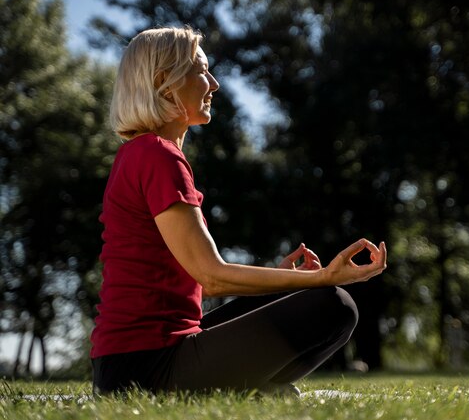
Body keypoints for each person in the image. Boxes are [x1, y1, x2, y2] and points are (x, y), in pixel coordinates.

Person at [90, 26, 387, 397]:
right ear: (165, 82)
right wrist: (324, 277)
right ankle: (252, 388)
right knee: (334, 303)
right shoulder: (157, 156)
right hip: (146, 370)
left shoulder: (140, 153)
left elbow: (191, 275)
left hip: (132, 364)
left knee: (292, 296)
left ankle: (251, 387)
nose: (213, 84)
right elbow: (212, 276)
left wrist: (278, 283)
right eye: (201, 71)